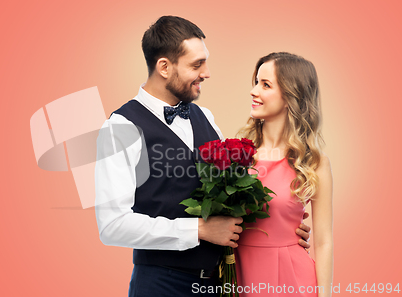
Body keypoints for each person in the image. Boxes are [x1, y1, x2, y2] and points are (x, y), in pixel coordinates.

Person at [95, 17, 311, 297]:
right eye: (196, 65)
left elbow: (230, 197)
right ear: (164, 67)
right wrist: (197, 230)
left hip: (218, 283)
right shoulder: (120, 128)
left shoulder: (204, 116)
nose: (207, 73)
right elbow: (112, 226)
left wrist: (281, 225)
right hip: (160, 285)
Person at [235, 52, 333, 297]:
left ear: (291, 96)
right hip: (237, 274)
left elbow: (323, 242)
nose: (254, 91)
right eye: (256, 82)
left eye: (265, 85)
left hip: (292, 280)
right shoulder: (235, 154)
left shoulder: (314, 162)